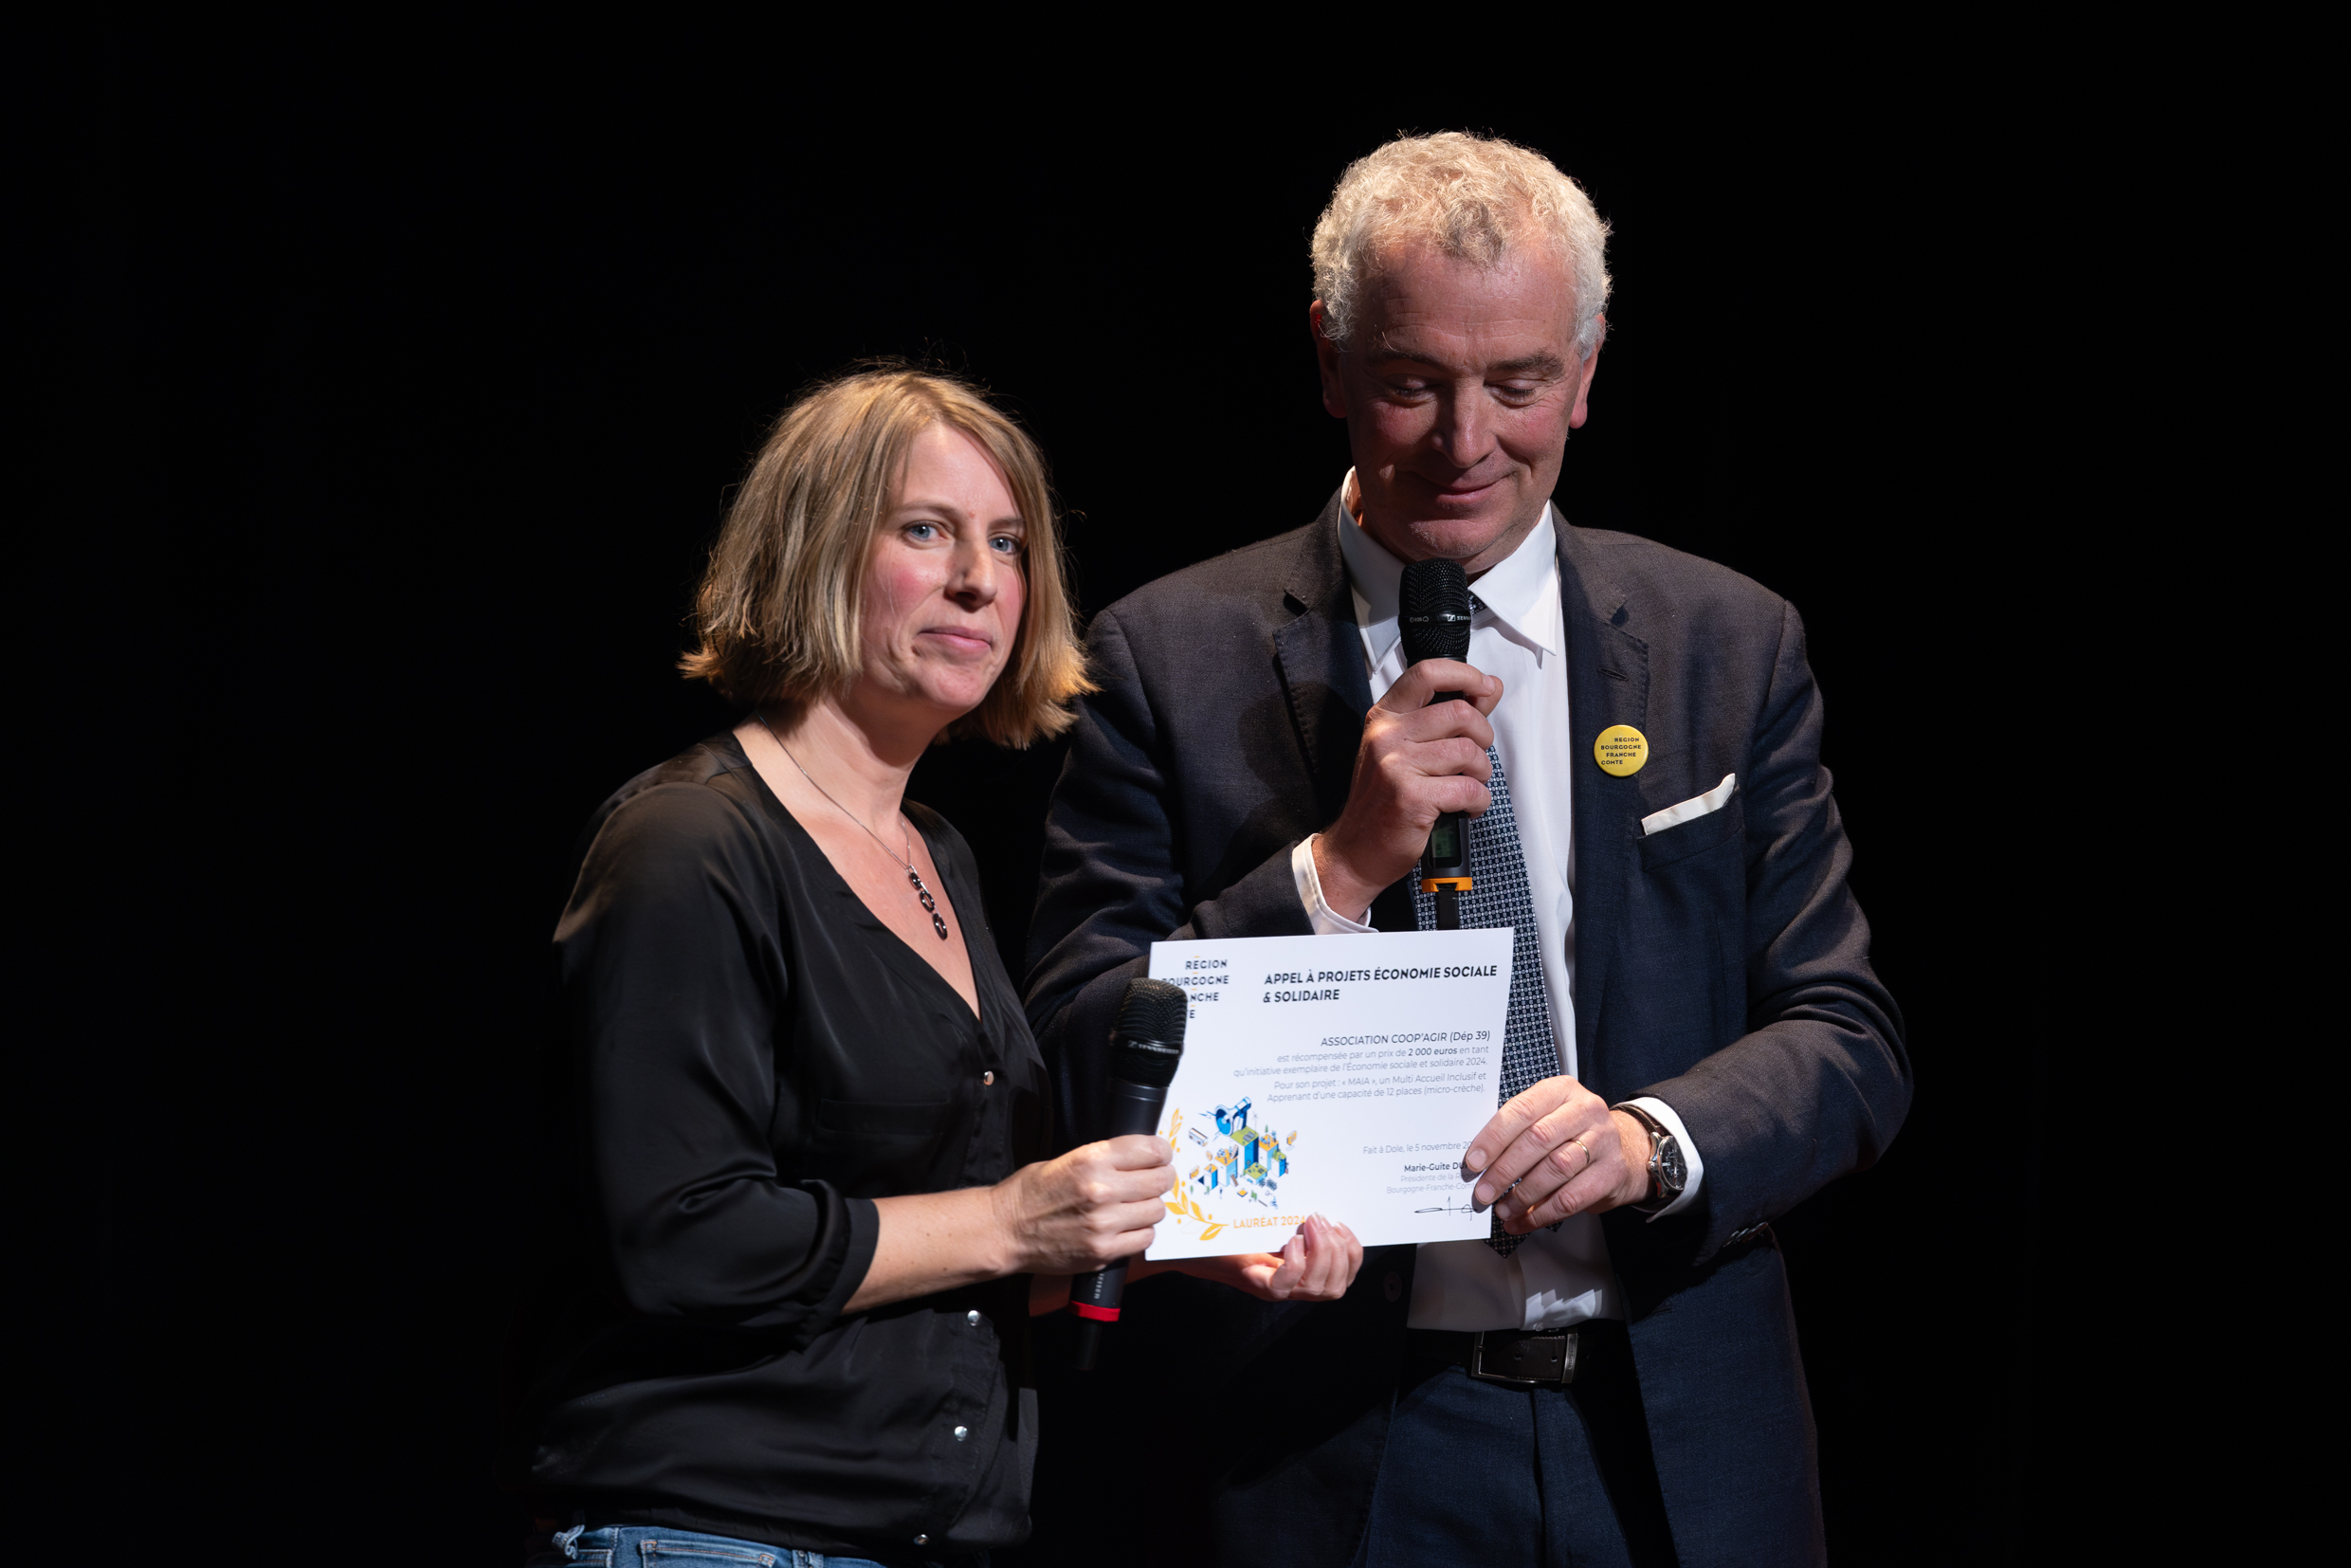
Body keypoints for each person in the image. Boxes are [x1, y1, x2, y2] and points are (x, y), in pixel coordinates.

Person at [1023, 136, 1909, 1567]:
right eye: (1412, 381)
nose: (1465, 440)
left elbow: (1847, 1035)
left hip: (1672, 1444)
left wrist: (1647, 1141)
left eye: (1516, 384)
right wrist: (1339, 868)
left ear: (1587, 367)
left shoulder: (1724, 642)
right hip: (1323, 1450)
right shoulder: (1163, 656)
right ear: (1327, 359)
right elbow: (1078, 1040)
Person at [504, 367, 1362, 1567]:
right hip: (716, 1530)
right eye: (927, 530)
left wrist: (1171, 1236)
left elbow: (946, 1250)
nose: (980, 579)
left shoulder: (936, 855)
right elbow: (683, 1239)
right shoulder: (689, 842)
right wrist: (1017, 1221)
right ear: (812, 551)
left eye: (1007, 543)